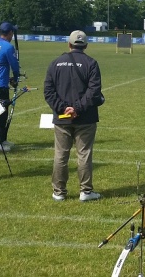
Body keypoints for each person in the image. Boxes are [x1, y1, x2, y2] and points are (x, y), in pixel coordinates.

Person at [44, 30, 104, 202]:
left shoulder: (55, 63)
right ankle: (85, 191)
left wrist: (63, 109)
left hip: (62, 118)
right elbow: (94, 91)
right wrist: (77, 108)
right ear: (85, 45)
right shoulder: (91, 63)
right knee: (84, 154)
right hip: (85, 118)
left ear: (69, 44)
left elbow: (48, 91)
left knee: (60, 155)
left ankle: (59, 192)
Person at [0, 22, 21, 152]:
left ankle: (2, 139)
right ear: (10, 33)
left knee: (1, 111)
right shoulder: (8, 47)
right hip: (1, 85)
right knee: (0, 113)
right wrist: (16, 77)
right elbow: (15, 65)